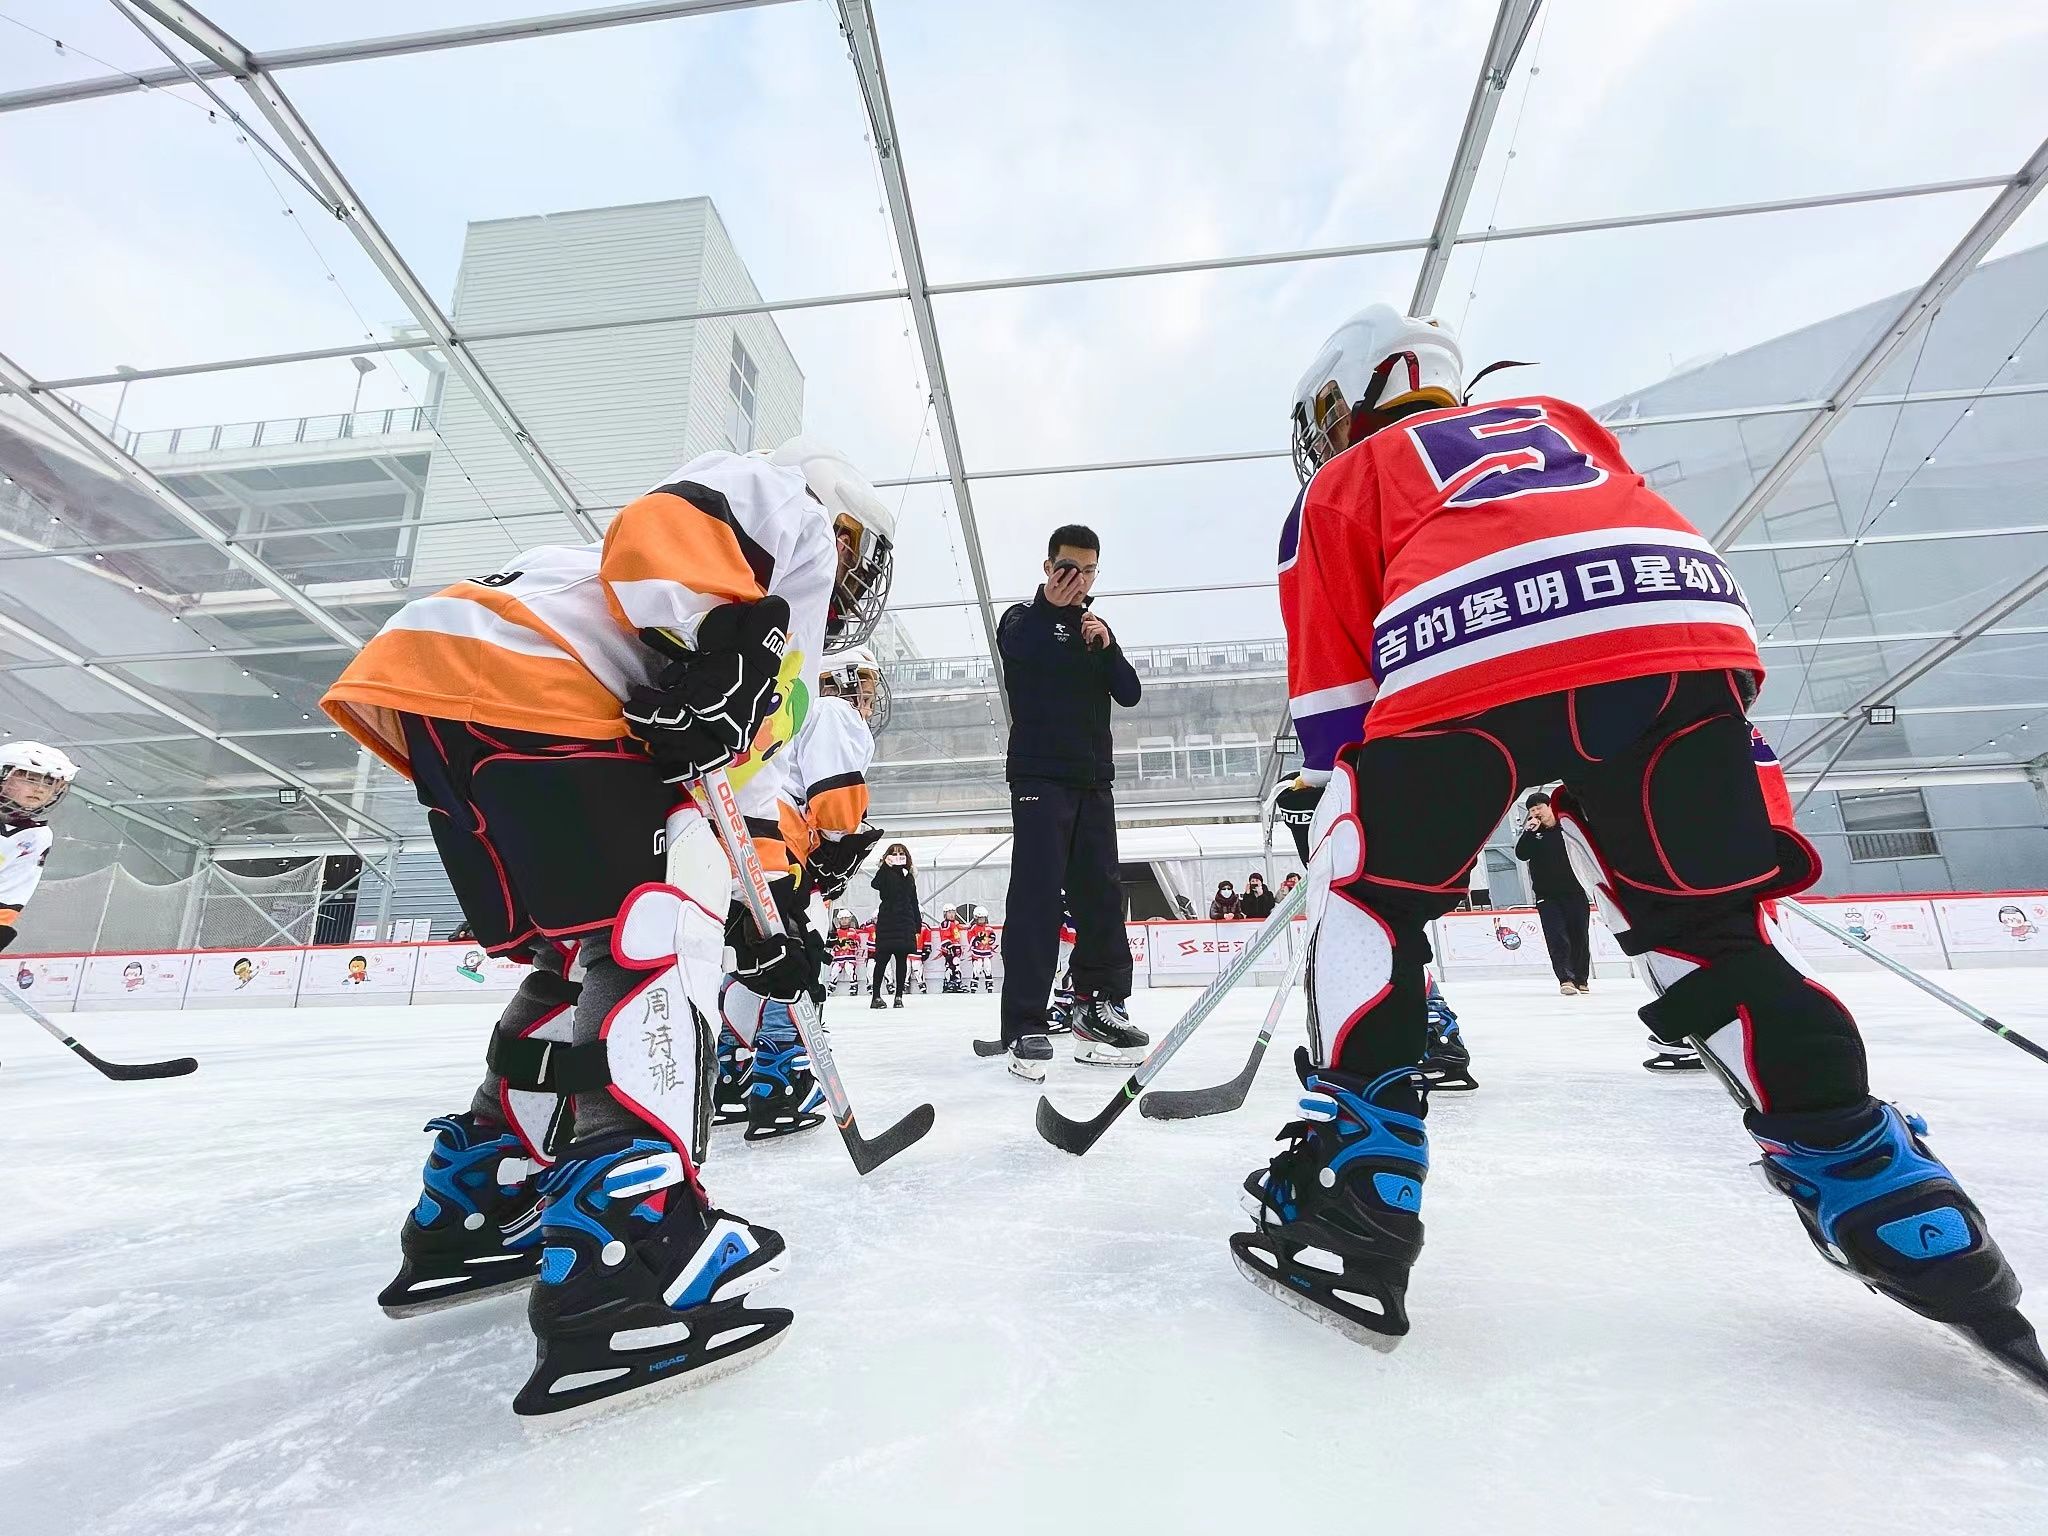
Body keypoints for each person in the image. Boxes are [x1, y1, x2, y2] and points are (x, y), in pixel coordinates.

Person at [1247, 302, 2041, 1388]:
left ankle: (1358, 1182)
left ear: (1344, 402)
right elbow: (1617, 540)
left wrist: (1355, 810)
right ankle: (1882, 1191)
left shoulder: (1339, 484)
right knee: (1709, 930)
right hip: (1676, 623)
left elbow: (1340, 730)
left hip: (1466, 631)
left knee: (1373, 902)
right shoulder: (1558, 417)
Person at [320, 436, 900, 1418]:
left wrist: (763, 934)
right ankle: (629, 1242)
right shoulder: (785, 510)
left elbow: (719, 808)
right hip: (536, 695)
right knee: (653, 946)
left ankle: (483, 1189)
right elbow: (673, 528)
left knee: (574, 952)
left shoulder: (706, 629)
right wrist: (727, 646)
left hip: (451, 690)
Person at [994, 525, 1148, 1080]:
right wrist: (1051, 613)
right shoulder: (1022, 620)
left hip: (1093, 782)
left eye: (1087, 571)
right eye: (1066, 568)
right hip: (1039, 780)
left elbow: (1128, 692)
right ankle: (1025, 1023)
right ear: (1047, 566)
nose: (1076, 580)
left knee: (1101, 895)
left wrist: (1105, 647)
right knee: (1036, 896)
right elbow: (1019, 651)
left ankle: (1099, 1007)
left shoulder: (1095, 631)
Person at [0, 742, 77, 957]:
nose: (40, 789)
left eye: (49, 783)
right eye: (30, 779)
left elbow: (11, 892)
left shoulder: (36, 837)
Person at [1515, 791, 1592, 996]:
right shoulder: (1533, 834)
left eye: (1539, 807)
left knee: (1579, 936)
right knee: (1556, 936)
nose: (1536, 813)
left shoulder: (1566, 829)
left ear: (1549, 807)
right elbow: (1521, 854)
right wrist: (1529, 832)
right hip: (1547, 896)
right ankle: (1565, 979)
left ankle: (1581, 978)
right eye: (1531, 810)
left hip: (1575, 892)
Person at [869, 843, 920, 1008]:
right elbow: (875, 884)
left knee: (902, 960)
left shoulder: (909, 875)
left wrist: (917, 926)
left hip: (905, 920)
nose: (898, 856)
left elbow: (914, 901)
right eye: (894, 853)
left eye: (901, 853)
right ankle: (876, 996)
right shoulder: (885, 872)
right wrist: (885, 865)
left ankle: (899, 996)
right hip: (888, 919)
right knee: (882, 959)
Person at [967, 906, 999, 992]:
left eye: (983, 919)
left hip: (986, 952)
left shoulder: (989, 928)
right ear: (976, 918)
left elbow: (992, 938)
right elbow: (970, 939)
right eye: (980, 919)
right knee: (977, 968)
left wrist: (991, 939)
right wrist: (976, 940)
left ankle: (989, 985)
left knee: (987, 967)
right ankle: (974, 986)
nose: (982, 921)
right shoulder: (973, 928)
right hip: (977, 953)